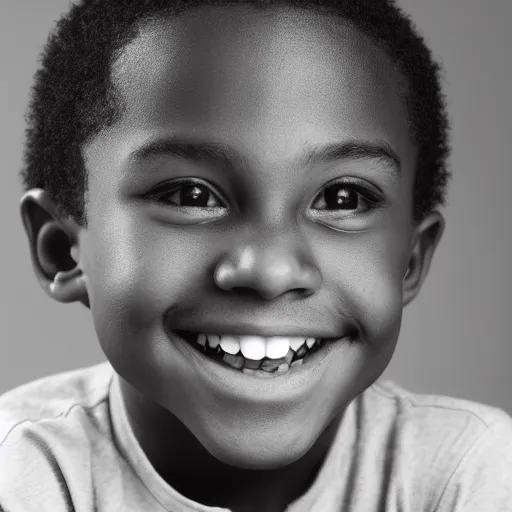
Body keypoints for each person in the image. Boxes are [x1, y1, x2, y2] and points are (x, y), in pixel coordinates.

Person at [1, 0, 511, 510]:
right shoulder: (23, 472)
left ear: (411, 260)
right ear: (62, 249)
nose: (270, 271)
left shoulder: (466, 473)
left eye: (342, 199)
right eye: (191, 196)